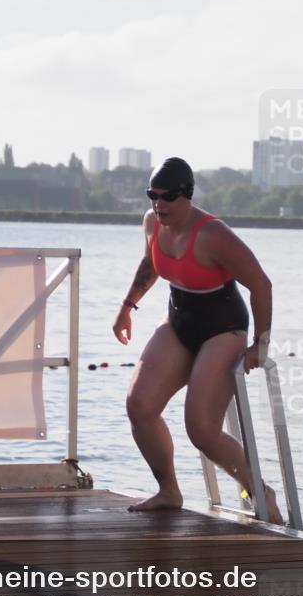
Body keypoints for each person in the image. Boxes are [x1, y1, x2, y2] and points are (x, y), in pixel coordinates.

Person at [113, 157, 284, 524]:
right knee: (139, 405)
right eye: (152, 196)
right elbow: (150, 264)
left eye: (167, 197)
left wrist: (260, 343)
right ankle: (169, 491)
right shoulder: (152, 222)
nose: (158, 205)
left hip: (223, 328)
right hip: (179, 321)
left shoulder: (213, 234)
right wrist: (127, 306)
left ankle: (259, 491)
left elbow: (261, 284)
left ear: (187, 195)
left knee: (202, 431)